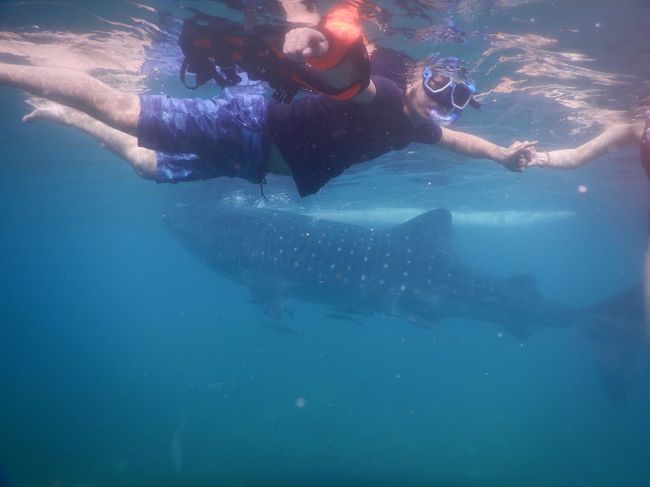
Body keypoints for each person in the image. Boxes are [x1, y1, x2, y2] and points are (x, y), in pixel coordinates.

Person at [0, 4, 537, 198]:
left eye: (457, 99)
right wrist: (328, 43)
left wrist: (500, 155)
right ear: (422, 78)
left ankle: (69, 117)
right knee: (120, 108)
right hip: (250, 126)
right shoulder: (391, 95)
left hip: (255, 163)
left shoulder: (415, 125)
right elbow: (354, 79)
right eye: (441, 87)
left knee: (148, 166)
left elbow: (456, 139)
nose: (441, 105)